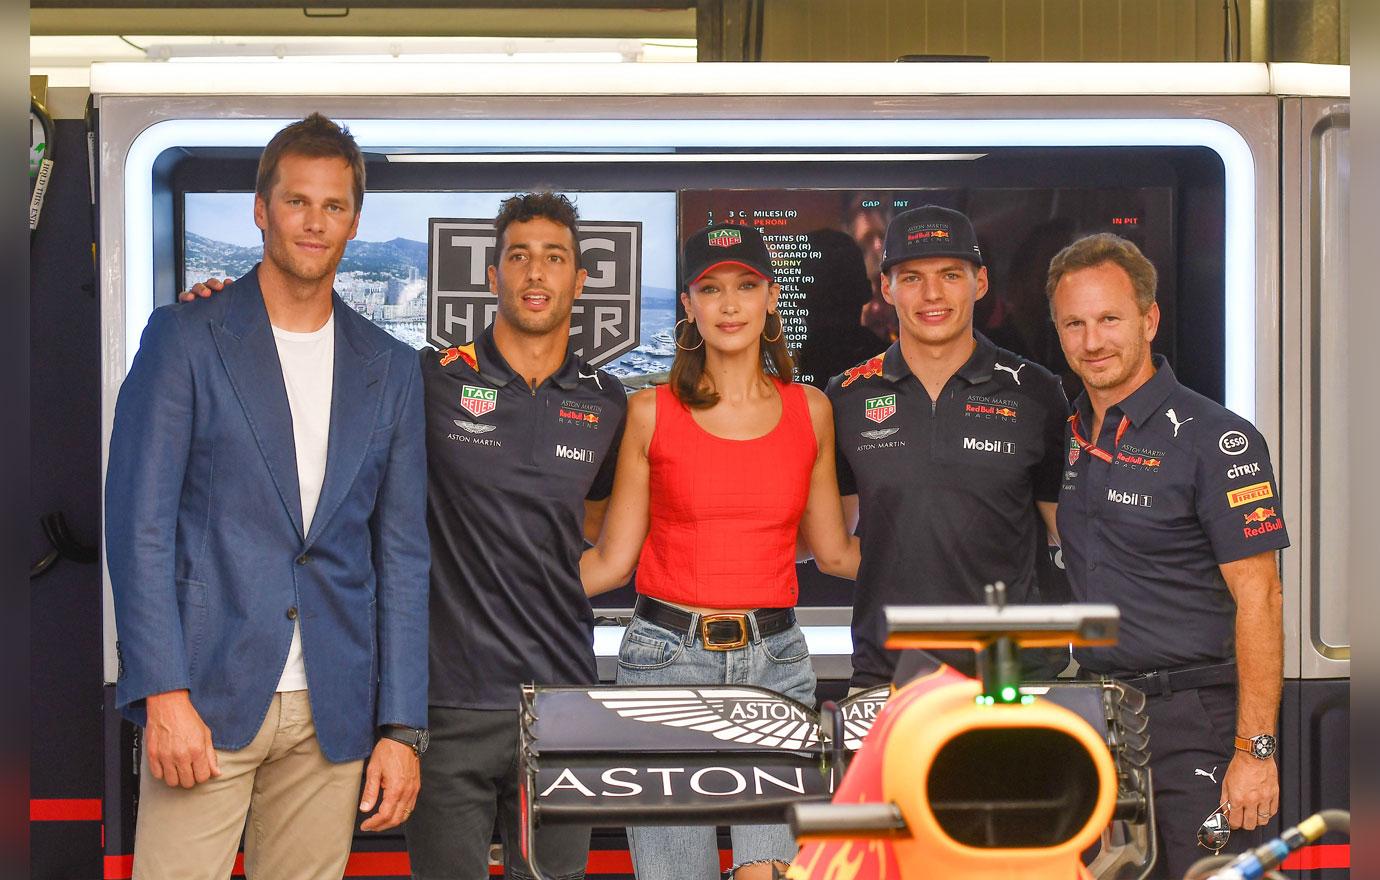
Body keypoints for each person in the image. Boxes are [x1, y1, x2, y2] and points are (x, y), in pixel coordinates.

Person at [179, 192, 624, 880]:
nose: (536, 274)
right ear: (492, 275)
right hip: (445, 703)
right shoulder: (426, 377)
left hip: (562, 703)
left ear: (581, 280)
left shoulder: (605, 398)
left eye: (555, 258)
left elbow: (588, 533)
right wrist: (221, 310)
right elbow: (309, 358)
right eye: (519, 256)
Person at [106, 113, 430, 880]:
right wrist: (162, 692)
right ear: (261, 209)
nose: (314, 223)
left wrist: (402, 726)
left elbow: (404, 555)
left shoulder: (390, 367)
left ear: (355, 219)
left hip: (335, 707)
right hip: (206, 696)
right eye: (296, 202)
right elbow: (138, 527)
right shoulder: (184, 338)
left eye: (333, 206)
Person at [581, 222, 860, 880]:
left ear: (770, 299)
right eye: (711, 289)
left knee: (773, 872)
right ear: (689, 306)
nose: (729, 304)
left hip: (778, 663)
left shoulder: (810, 410)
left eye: (745, 286)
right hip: (662, 663)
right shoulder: (649, 411)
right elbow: (613, 560)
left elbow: (832, 551)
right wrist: (489, 596)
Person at [1047, 233, 1287, 880]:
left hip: (1197, 721)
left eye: (1109, 319)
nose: (1092, 341)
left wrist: (1254, 752)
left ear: (1149, 320)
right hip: (1098, 720)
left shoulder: (1219, 439)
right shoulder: (1069, 435)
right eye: (1075, 323)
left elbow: (1261, 597)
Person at [826, 205, 1069, 687]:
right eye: (912, 277)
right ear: (886, 288)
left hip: (1015, 680)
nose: (932, 294)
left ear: (979, 284)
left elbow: (1065, 534)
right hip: (888, 678)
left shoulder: (1036, 392)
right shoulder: (846, 396)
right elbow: (838, 545)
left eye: (950, 274)